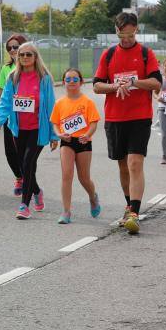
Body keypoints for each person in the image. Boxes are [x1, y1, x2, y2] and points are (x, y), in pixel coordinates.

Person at [93, 12, 162, 234]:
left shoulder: (145, 53)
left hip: (140, 116)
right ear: (116, 31)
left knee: (134, 163)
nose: (127, 39)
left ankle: (134, 212)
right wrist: (115, 86)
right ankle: (128, 205)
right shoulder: (109, 54)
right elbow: (96, 85)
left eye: (131, 35)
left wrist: (134, 82)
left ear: (136, 31)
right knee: (122, 166)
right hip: (115, 117)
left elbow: (155, 82)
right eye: (123, 35)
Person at [0, 42, 59, 219]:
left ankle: (24, 205)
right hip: (19, 129)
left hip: (38, 128)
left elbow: (51, 107)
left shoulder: (43, 78)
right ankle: (36, 190)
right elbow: (6, 102)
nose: (25, 58)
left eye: (29, 54)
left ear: (35, 57)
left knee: (28, 163)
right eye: (21, 55)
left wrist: (53, 134)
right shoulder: (13, 77)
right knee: (24, 166)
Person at [49, 68, 101, 224]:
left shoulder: (87, 102)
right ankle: (66, 211)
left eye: (75, 79)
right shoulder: (60, 103)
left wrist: (88, 134)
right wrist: (58, 134)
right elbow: (55, 123)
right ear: (63, 82)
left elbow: (93, 122)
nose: (71, 82)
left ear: (81, 82)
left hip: (83, 141)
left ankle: (93, 197)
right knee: (66, 175)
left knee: (84, 177)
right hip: (67, 141)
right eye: (68, 80)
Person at [0, 33, 28, 196]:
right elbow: (1, 92)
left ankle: (28, 179)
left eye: (16, 47)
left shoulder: (31, 68)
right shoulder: (6, 69)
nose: (13, 50)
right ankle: (19, 177)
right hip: (10, 117)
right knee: (10, 151)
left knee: (24, 151)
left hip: (27, 118)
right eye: (10, 48)